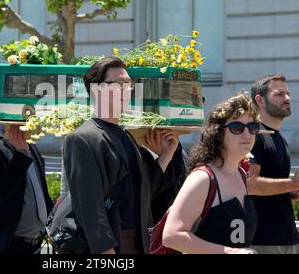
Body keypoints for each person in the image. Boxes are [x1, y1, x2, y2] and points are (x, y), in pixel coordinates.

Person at [63, 56, 180, 254]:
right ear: (96, 89)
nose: (126, 90)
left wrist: (165, 157)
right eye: (118, 83)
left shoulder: (126, 135)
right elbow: (90, 207)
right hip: (112, 247)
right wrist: (106, 252)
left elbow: (140, 194)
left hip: (139, 243)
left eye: (128, 83)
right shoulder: (82, 138)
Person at [162, 93, 258, 254]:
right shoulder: (202, 178)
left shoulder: (241, 173)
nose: (247, 134)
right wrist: (229, 252)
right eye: (237, 128)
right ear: (218, 133)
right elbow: (171, 236)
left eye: (253, 127)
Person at [0, 110, 53, 254]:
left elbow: (40, 190)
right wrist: (21, 154)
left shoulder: (30, 146)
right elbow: (2, 190)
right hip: (7, 245)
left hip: (35, 244)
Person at [248, 75, 299, 254]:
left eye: (288, 93)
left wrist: (293, 193)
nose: (287, 98)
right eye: (279, 94)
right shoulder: (252, 136)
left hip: (287, 238)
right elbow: (250, 185)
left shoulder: (280, 138)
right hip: (264, 240)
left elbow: (275, 190)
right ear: (260, 100)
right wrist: (293, 183)